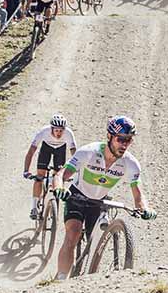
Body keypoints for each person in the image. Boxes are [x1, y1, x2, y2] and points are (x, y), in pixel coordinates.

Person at [52, 116, 155, 280]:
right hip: (78, 195)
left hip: (98, 201)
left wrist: (144, 209)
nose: (124, 144)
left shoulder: (131, 163)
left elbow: (138, 193)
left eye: (128, 140)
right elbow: (61, 174)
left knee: (96, 241)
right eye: (120, 139)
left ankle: (90, 273)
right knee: (73, 233)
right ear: (109, 136)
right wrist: (59, 188)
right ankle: (60, 279)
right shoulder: (88, 152)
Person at [23, 114, 78, 220]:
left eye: (61, 131)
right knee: (39, 177)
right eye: (56, 130)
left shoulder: (68, 134)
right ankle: (34, 207)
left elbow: (74, 154)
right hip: (46, 149)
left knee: (58, 177)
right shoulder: (43, 132)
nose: (59, 133)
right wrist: (26, 170)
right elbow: (31, 152)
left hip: (60, 150)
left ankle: (54, 204)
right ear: (51, 129)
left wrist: (77, 171)